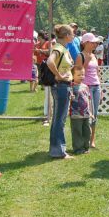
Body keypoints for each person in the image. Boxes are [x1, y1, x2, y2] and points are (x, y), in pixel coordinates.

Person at [47, 24, 75, 159]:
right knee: (60, 120)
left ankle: (55, 149)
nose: (74, 36)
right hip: (61, 86)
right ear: (67, 36)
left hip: (63, 86)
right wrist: (58, 75)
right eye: (72, 34)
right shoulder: (58, 48)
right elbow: (49, 62)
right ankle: (59, 151)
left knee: (58, 119)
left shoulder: (62, 48)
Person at [75, 33, 102, 149]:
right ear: (86, 43)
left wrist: (101, 88)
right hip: (86, 87)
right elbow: (78, 73)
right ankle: (85, 139)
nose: (95, 44)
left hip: (96, 86)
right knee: (87, 114)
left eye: (96, 42)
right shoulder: (80, 56)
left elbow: (97, 72)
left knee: (94, 114)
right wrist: (87, 61)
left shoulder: (94, 55)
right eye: (93, 42)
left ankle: (92, 140)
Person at [69, 67, 93, 154]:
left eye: (83, 74)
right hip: (75, 114)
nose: (81, 76)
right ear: (72, 76)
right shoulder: (71, 86)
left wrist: (90, 112)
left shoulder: (86, 86)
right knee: (77, 131)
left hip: (86, 114)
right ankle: (78, 148)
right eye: (78, 75)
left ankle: (86, 147)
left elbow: (88, 100)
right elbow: (69, 99)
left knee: (87, 131)